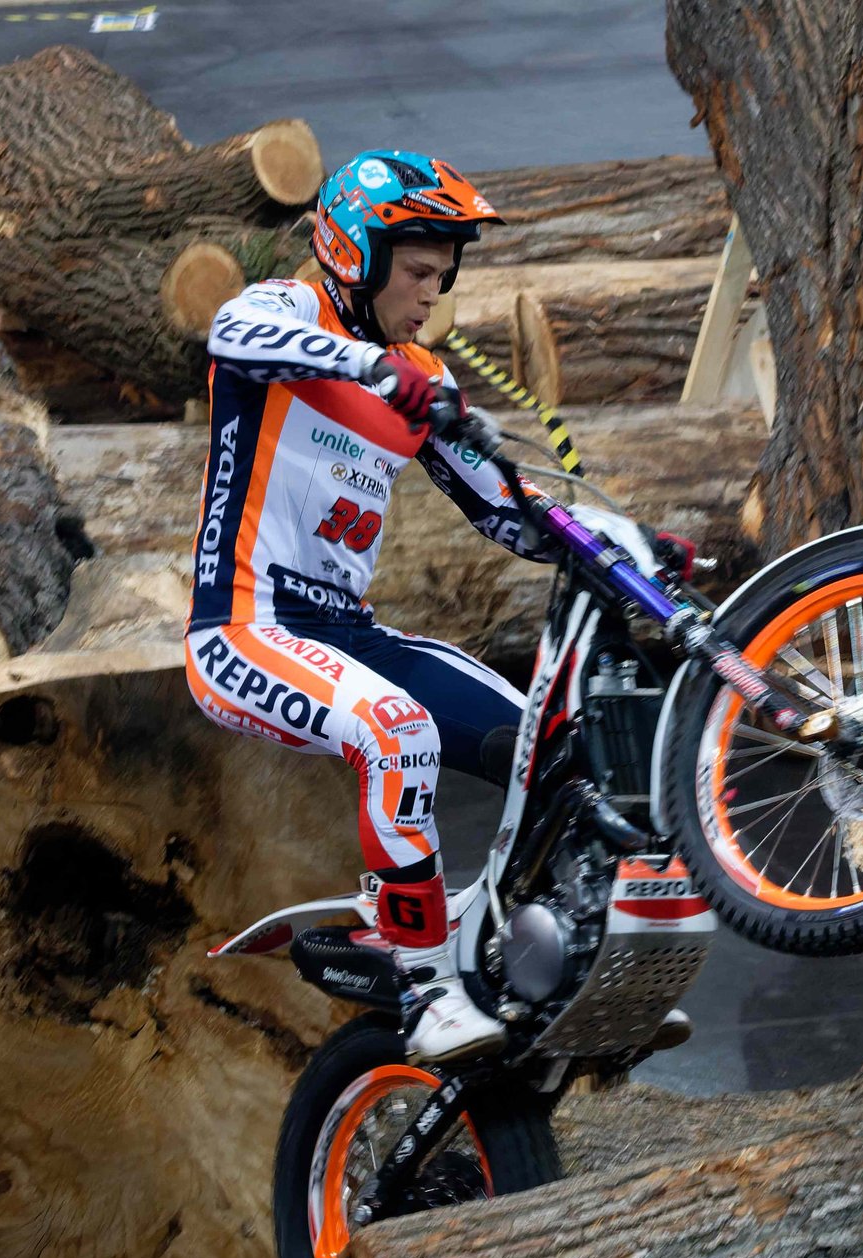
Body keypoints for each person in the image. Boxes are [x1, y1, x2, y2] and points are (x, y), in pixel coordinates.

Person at [183, 149, 693, 1065]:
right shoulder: (287, 316)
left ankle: (571, 976)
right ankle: (420, 987)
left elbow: (512, 516)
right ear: (354, 251)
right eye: (418, 272)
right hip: (244, 630)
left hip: (349, 633)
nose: (432, 293)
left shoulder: (416, 376)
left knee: (560, 750)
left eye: (445, 276)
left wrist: (633, 550)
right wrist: (375, 369)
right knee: (397, 731)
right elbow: (229, 330)